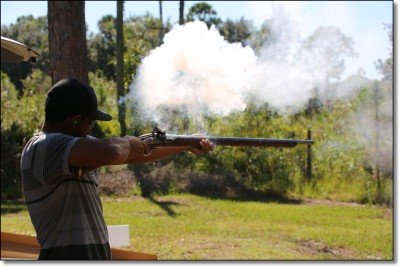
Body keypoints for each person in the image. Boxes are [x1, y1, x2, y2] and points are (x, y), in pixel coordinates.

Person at [20, 78, 214, 260]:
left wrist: (187, 143)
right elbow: (113, 152)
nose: (91, 128)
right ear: (75, 120)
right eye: (91, 122)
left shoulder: (78, 148)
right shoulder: (44, 146)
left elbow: (135, 153)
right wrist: (129, 141)